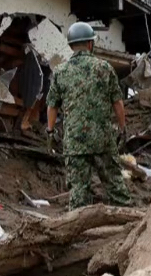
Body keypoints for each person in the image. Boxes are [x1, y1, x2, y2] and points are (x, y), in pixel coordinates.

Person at [46, 22, 131, 210]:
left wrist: (50, 131)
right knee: (116, 187)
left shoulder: (60, 72)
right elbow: (118, 103)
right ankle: (130, 226)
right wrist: (122, 127)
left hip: (75, 143)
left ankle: (77, 232)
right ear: (90, 44)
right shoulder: (105, 68)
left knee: (78, 193)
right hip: (103, 140)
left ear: (70, 46)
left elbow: (52, 106)